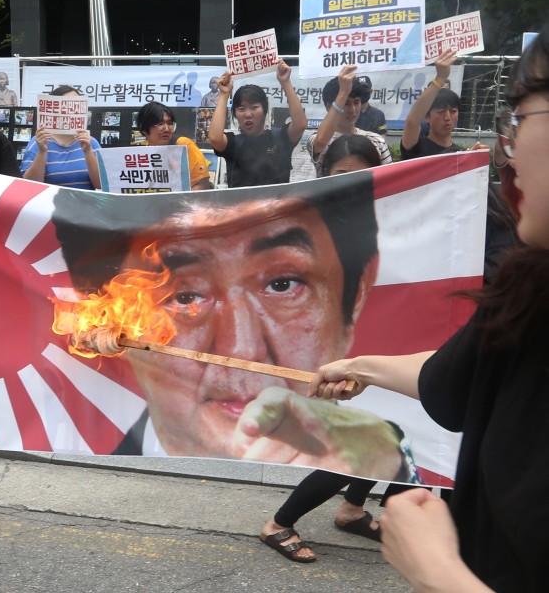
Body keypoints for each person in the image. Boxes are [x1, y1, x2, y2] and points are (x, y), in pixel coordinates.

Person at [308, 24, 549, 593]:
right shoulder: (530, 285)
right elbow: (454, 378)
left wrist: (438, 571)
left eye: (523, 115)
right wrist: (360, 367)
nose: (508, 147)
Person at [51, 173, 411, 480]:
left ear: (356, 293)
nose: (242, 348)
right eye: (186, 297)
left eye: (283, 284)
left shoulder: (387, 455)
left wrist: (393, 464)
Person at [259, 133, 385, 563]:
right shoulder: (310, 224)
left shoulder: (390, 218)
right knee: (359, 443)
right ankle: (279, 523)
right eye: (340, 176)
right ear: (324, 177)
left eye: (362, 176)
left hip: (385, 341)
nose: (351, 184)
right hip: (334, 345)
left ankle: (352, 509)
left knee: (401, 430)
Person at [208, 60, 308, 187]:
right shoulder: (233, 143)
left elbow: (300, 124)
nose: (248, 114)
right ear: (234, 114)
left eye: (254, 107)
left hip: (277, 206)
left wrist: (285, 83)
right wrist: (224, 94)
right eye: (241, 109)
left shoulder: (281, 138)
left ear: (265, 109)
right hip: (242, 206)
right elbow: (215, 138)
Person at [400, 50, 488, 159]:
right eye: (441, 111)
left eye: (453, 111)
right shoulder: (416, 148)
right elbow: (412, 122)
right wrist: (440, 78)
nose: (447, 117)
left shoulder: (460, 154)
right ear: (427, 117)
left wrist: (470, 157)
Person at [309, 66, 392, 177]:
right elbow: (320, 142)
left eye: (357, 102)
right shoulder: (317, 140)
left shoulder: (377, 141)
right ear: (329, 106)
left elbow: (388, 178)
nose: (353, 110)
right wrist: (343, 91)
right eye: (346, 103)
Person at [20, 85, 101, 189]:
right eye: (65, 105)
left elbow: (102, 185)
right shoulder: (38, 143)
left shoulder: (91, 142)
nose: (70, 111)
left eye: (75, 104)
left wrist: (88, 151)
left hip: (87, 204)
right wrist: (42, 152)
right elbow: (29, 187)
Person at [135, 101, 213, 189]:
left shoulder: (183, 145)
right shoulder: (143, 154)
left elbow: (202, 185)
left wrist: (173, 201)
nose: (167, 129)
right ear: (144, 129)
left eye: (169, 123)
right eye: (160, 124)